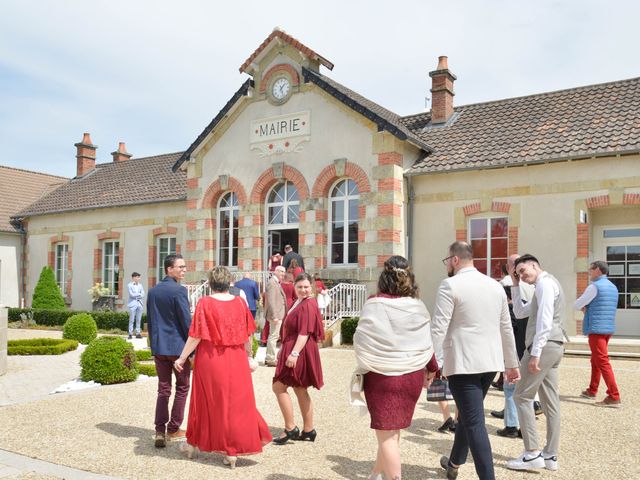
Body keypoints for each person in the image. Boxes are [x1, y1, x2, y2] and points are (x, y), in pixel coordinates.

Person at [432, 241, 520, 480]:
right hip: (490, 363)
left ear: (455, 259)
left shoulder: (449, 285)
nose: (447, 265)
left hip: (463, 363)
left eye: (447, 260)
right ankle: (453, 464)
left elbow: (438, 328)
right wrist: (511, 363)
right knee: (468, 417)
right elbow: (506, 327)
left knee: (474, 422)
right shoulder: (494, 286)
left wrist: (432, 364)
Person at [174, 266, 272, 468]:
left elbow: (196, 335)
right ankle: (232, 451)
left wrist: (182, 358)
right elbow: (247, 336)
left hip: (210, 359)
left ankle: (194, 444)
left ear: (210, 283)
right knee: (236, 405)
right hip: (235, 358)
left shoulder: (205, 303)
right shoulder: (240, 303)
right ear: (229, 283)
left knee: (205, 402)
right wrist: (249, 357)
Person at [353, 256, 438, 480]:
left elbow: (360, 338)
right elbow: (426, 342)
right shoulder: (417, 306)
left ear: (383, 278)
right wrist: (432, 368)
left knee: (387, 436)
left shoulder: (374, 303)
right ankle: (375, 474)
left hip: (382, 377)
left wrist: (364, 363)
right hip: (410, 377)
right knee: (392, 431)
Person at [506, 254, 566, 472]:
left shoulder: (544, 284)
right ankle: (550, 456)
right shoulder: (544, 285)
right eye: (518, 273)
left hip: (544, 346)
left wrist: (535, 353)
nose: (521, 275)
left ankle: (532, 453)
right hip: (555, 345)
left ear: (534, 265)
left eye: (523, 271)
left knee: (521, 396)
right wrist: (514, 284)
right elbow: (520, 311)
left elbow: (545, 321)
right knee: (551, 402)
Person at [272, 272, 324, 445]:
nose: (303, 290)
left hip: (299, 349)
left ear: (312, 287)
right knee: (300, 388)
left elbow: (305, 332)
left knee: (279, 386)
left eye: (306, 287)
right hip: (295, 347)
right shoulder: (299, 301)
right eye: (300, 287)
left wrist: (294, 353)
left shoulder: (308, 303)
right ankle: (308, 430)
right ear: (294, 287)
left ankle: (290, 428)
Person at [493, 255, 541, 438]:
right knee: (525, 388)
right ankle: (521, 425)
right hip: (527, 340)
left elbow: (510, 321)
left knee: (511, 387)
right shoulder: (532, 285)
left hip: (516, 341)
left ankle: (513, 424)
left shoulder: (507, 286)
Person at [147, 254, 192, 448]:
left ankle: (159, 430)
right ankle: (173, 428)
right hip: (177, 349)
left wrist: (153, 345)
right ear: (169, 269)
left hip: (160, 348)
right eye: (180, 267)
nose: (184, 270)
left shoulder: (153, 291)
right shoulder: (179, 291)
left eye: (184, 266)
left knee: (163, 389)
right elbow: (186, 322)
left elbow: (150, 321)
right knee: (182, 387)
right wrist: (192, 350)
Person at [574, 260, 621, 407]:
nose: (589, 272)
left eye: (591, 270)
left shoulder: (594, 287)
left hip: (596, 329)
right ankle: (592, 390)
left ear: (598, 270)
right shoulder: (613, 287)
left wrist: (585, 307)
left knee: (602, 361)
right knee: (596, 360)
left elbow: (576, 305)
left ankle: (614, 396)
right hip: (607, 328)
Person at [264, 266, 287, 367]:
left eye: (284, 272)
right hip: (275, 315)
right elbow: (271, 301)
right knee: (273, 336)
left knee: (274, 336)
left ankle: (270, 357)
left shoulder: (275, 282)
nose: (283, 274)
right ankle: (270, 358)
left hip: (278, 314)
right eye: (281, 271)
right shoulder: (273, 283)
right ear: (275, 271)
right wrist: (274, 316)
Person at [127, 272, 144, 339]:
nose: (139, 278)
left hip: (139, 303)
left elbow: (143, 294)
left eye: (139, 277)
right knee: (131, 319)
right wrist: (138, 294)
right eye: (137, 277)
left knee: (138, 319)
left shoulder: (140, 285)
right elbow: (131, 294)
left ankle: (138, 333)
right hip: (132, 304)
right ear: (133, 277)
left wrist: (137, 295)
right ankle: (130, 334)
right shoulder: (129, 285)